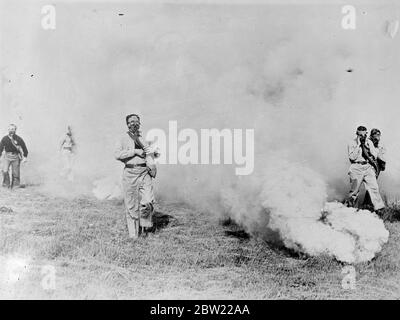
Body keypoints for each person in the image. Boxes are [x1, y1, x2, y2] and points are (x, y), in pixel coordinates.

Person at [114, 114, 157, 239]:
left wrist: (153, 157)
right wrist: (134, 151)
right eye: (131, 121)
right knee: (131, 204)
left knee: (148, 201)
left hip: (145, 172)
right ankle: (134, 236)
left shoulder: (143, 138)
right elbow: (117, 154)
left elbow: (149, 155)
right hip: (130, 173)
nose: (134, 123)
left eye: (137, 121)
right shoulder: (122, 138)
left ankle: (145, 227)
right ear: (127, 124)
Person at [346, 126, 385, 213]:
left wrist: (368, 147)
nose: (362, 137)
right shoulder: (352, 143)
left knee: (374, 188)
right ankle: (352, 210)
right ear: (357, 134)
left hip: (367, 166)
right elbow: (352, 157)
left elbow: (375, 155)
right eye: (360, 135)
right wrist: (359, 145)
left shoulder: (369, 142)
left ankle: (379, 209)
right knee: (354, 191)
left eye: (364, 135)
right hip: (356, 167)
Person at [362, 128, 386, 212]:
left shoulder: (379, 143)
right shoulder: (368, 142)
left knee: (372, 185)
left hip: (377, 165)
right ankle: (374, 206)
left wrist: (382, 163)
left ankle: (367, 204)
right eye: (376, 135)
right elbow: (373, 153)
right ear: (372, 135)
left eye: (379, 135)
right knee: (373, 185)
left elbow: (382, 152)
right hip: (370, 165)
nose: (378, 137)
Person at [0, 124, 28, 189]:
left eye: (12, 129)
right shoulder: (4, 138)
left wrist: (25, 157)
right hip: (7, 156)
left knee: (16, 173)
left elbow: (24, 148)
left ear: (15, 130)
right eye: (9, 129)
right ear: (8, 130)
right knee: (5, 171)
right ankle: (6, 185)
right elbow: (0, 148)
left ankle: (15, 186)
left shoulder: (19, 139)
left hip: (16, 157)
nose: (11, 130)